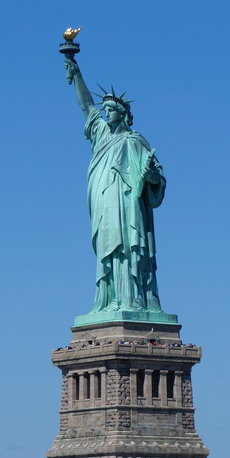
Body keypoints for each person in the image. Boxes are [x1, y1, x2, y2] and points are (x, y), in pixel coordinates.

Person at [64, 55, 167, 315]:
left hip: (128, 209)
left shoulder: (135, 142)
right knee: (109, 252)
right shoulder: (100, 135)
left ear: (122, 114)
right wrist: (77, 74)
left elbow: (158, 181)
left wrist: (152, 177)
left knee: (129, 249)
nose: (105, 112)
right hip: (105, 207)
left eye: (110, 109)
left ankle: (131, 299)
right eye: (105, 109)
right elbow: (87, 107)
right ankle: (108, 300)